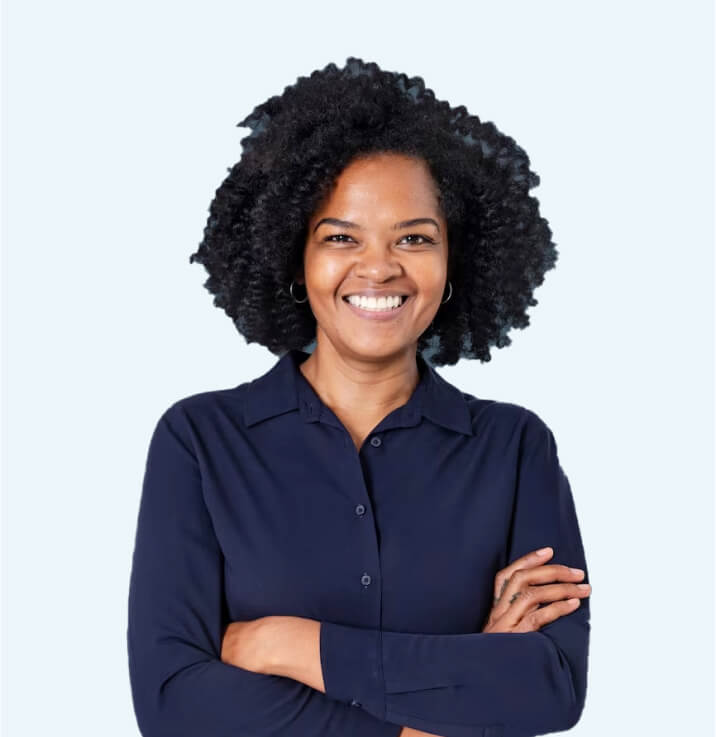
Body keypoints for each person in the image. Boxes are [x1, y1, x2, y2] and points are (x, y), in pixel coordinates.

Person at [127, 57, 591, 737]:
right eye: (341, 237)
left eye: (415, 238)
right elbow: (173, 703)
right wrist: (446, 700)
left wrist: (292, 644)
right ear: (295, 256)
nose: (378, 266)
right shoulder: (200, 440)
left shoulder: (514, 449)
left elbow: (550, 688)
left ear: (453, 263)